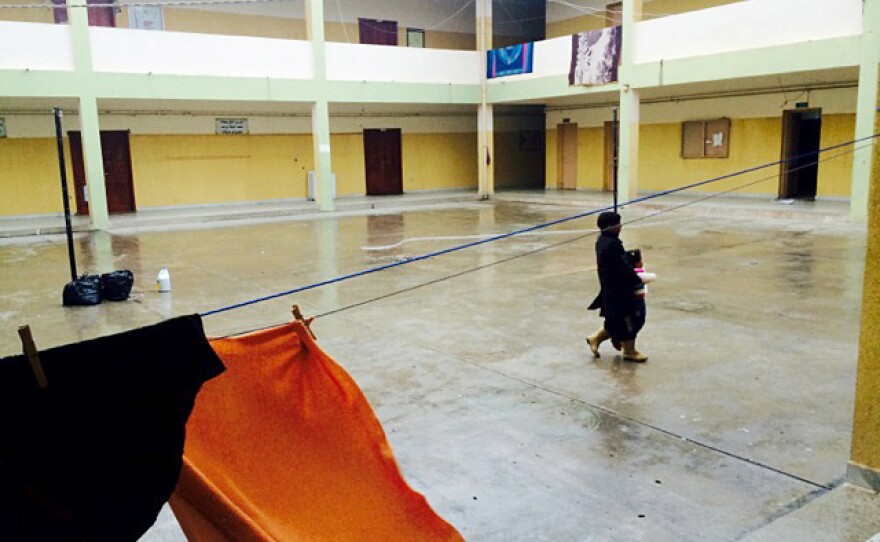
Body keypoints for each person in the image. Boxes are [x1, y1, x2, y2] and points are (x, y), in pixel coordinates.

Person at [585, 212, 649, 362]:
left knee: (618, 319)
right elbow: (622, 268)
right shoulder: (612, 244)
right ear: (610, 226)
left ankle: (595, 338)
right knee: (632, 318)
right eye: (618, 223)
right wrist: (638, 280)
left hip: (612, 288)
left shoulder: (604, 240)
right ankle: (629, 350)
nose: (620, 226)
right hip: (618, 289)